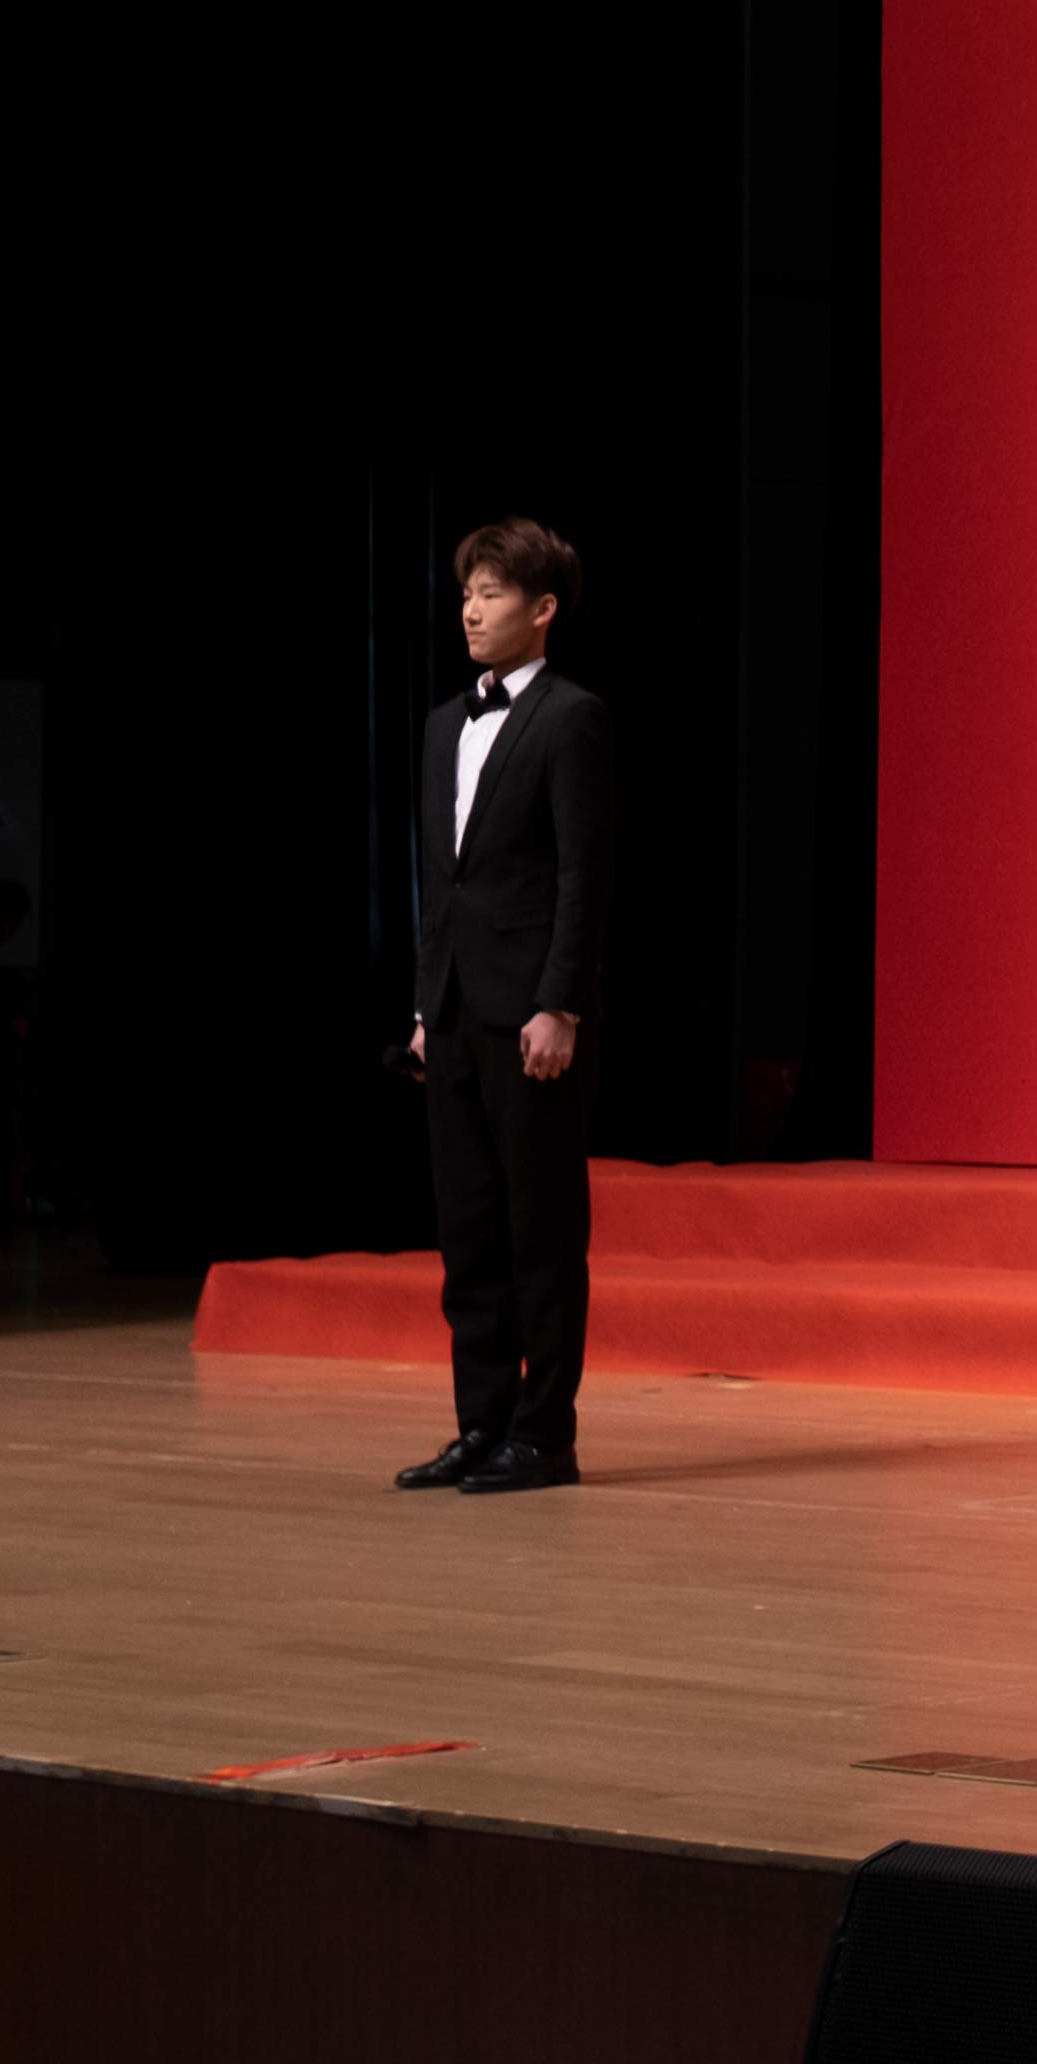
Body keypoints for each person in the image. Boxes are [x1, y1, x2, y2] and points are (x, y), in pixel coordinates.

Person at [399, 519, 619, 1496]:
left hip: (531, 1016)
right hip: (453, 1011)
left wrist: (559, 1003)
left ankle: (544, 1435)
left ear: (543, 609)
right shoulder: (443, 724)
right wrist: (423, 1005)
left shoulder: (572, 718)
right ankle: (480, 1424)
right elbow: (439, 883)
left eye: (491, 594)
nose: (471, 611)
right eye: (466, 594)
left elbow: (583, 876)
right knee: (469, 1232)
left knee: (542, 1232)